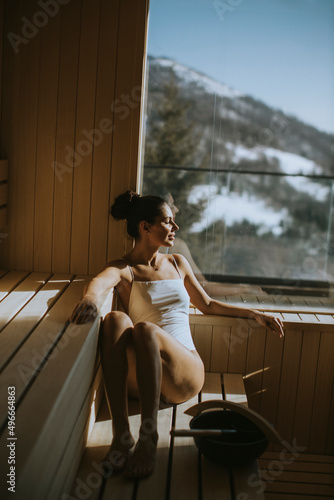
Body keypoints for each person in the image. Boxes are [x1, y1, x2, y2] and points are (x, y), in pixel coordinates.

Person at [70, 190, 284, 480]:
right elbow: (97, 284)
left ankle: (148, 437)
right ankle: (122, 435)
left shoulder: (177, 263)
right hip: (144, 378)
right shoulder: (125, 269)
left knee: (145, 329)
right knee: (115, 320)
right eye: (168, 222)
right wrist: (91, 301)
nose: (175, 227)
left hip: (185, 374)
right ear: (145, 227)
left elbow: (207, 304)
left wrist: (254, 314)